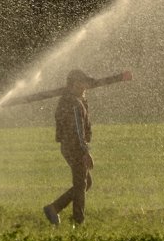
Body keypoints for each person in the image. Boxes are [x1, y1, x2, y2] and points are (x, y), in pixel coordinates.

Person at [43, 69, 131, 228]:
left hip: (69, 146)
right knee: (81, 184)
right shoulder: (74, 103)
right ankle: (78, 221)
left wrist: (120, 77)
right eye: (81, 83)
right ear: (74, 84)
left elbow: (97, 82)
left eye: (85, 83)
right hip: (75, 147)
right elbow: (78, 130)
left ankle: (54, 208)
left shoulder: (71, 99)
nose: (85, 87)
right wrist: (85, 152)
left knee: (84, 183)